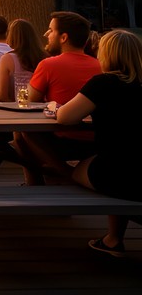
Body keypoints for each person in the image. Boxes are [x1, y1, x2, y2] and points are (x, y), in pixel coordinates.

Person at [56, 30, 142, 256]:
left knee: (73, 171)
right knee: (118, 162)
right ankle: (113, 239)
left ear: (107, 55)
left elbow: (65, 117)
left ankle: (53, 188)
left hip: (118, 173)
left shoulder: (103, 83)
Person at [13, 11, 101, 184]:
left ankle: (46, 180)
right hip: (97, 141)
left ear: (64, 37)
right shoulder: (100, 65)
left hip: (63, 142)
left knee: (21, 132)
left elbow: (29, 101)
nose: (46, 34)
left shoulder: (48, 65)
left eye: (51, 30)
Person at [0, 18, 46, 101]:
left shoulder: (7, 59)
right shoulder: (44, 57)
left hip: (15, 106)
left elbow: (1, 95)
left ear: (11, 36)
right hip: (40, 106)